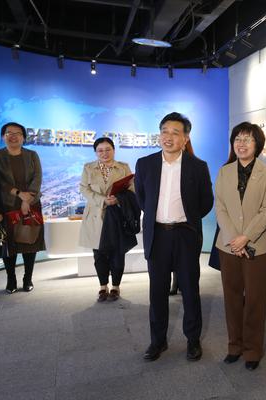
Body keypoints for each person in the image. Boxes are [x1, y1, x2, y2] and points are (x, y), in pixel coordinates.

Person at [135, 112, 213, 362]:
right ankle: (157, 341)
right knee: (157, 292)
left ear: (185, 138)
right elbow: (142, 198)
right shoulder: (145, 164)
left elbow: (206, 202)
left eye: (175, 133)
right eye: (164, 131)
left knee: (190, 290)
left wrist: (186, 219)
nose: (168, 137)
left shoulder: (197, 166)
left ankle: (193, 340)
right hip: (157, 235)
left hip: (185, 235)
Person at [214, 122, 266, 371]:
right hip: (228, 246)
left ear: (257, 144)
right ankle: (234, 346)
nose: (241, 144)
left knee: (255, 299)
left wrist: (245, 238)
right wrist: (234, 238)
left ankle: (252, 350)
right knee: (231, 297)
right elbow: (220, 208)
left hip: (257, 247)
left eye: (247, 139)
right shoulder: (224, 172)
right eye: (237, 139)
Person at [79, 137, 134, 302]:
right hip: (95, 216)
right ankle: (103, 286)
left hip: (117, 215)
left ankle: (116, 287)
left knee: (118, 253)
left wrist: (118, 199)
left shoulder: (123, 167)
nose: (104, 153)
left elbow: (131, 188)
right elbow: (84, 189)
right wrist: (103, 200)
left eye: (108, 149)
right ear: (96, 152)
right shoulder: (88, 168)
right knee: (99, 254)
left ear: (114, 150)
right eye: (100, 150)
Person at [0, 122, 45, 293]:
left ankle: (27, 278)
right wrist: (19, 194)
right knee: (9, 244)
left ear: (23, 137)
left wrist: (27, 199)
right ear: (3, 137)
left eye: (18, 133)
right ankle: (11, 279)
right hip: (7, 206)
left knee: (30, 242)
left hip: (31, 204)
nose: (13, 136)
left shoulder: (32, 155)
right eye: (9, 133)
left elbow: (37, 177)